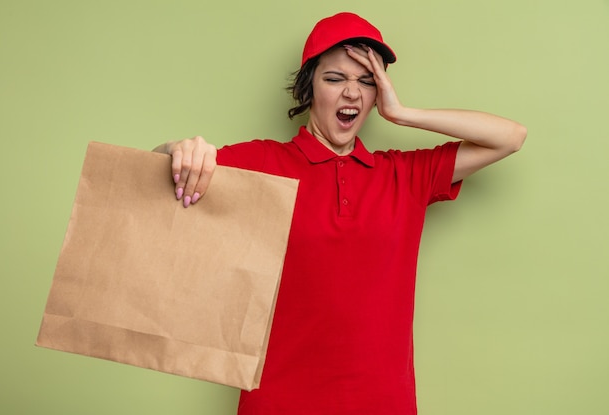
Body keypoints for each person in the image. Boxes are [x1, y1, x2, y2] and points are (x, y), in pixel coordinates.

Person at [154, 12, 526, 415]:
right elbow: (149, 176)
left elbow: (510, 137)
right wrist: (177, 149)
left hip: (383, 402)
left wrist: (401, 113)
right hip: (278, 399)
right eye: (335, 79)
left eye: (367, 81)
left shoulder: (404, 174)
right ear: (309, 85)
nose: (352, 92)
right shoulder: (263, 162)